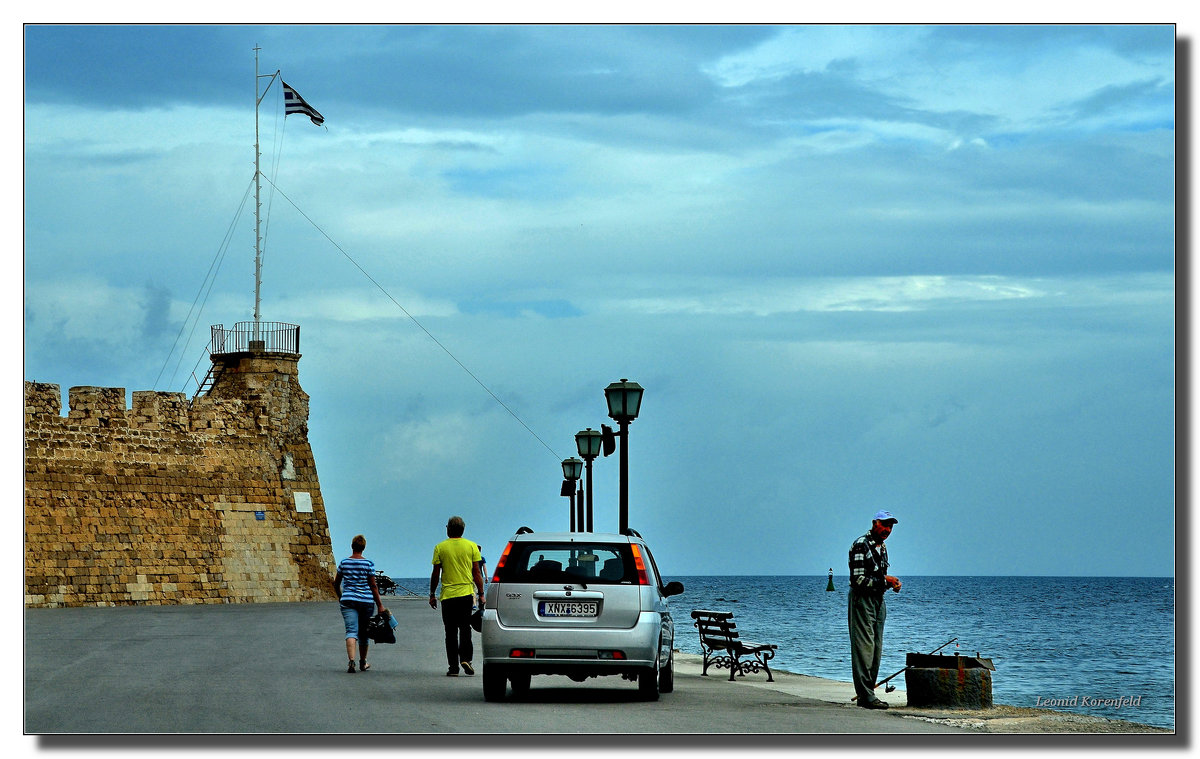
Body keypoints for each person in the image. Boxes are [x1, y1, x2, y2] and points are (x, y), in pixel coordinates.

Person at [848, 510, 902, 709]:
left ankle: (868, 693)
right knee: (864, 648)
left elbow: (878, 578)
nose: (887, 530)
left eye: (890, 527)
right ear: (874, 523)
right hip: (862, 600)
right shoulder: (861, 544)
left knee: (876, 648)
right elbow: (858, 580)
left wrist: (891, 584)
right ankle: (865, 695)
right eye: (884, 525)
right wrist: (884, 580)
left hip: (878, 600)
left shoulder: (883, 547)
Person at [429, 516, 486, 676]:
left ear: (448, 529)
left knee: (450, 632)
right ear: (463, 529)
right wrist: (481, 594)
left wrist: (432, 594)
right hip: (466, 595)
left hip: (448, 596)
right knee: (465, 628)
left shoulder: (440, 547)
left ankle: (453, 667)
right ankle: (466, 658)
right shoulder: (472, 546)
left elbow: (435, 573)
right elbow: (476, 572)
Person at [334, 534, 385, 673]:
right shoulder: (368, 563)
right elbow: (373, 585)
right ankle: (363, 662)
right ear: (363, 547)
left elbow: (336, 582)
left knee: (351, 631)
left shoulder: (344, 562)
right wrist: (380, 604)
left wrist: (341, 596)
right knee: (363, 633)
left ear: (352, 546)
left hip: (348, 600)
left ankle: (351, 661)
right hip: (366, 602)